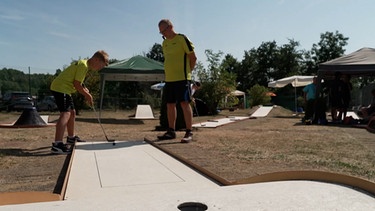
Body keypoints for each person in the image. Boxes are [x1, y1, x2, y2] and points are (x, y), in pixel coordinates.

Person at [50, 50, 109, 154]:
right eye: (101, 65)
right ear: (96, 59)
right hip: (61, 88)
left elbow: (79, 82)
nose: (100, 68)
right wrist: (88, 95)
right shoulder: (83, 66)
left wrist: (85, 89)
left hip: (65, 89)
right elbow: (76, 85)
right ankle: (57, 144)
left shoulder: (84, 65)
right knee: (66, 113)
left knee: (72, 113)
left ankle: (71, 138)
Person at [157, 19, 197, 143]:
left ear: (171, 27)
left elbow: (193, 57)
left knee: (184, 104)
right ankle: (171, 131)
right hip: (169, 79)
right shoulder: (164, 44)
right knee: (170, 105)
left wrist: (188, 73)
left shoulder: (182, 39)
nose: (163, 34)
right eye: (161, 32)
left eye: (164, 30)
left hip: (182, 78)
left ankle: (189, 132)